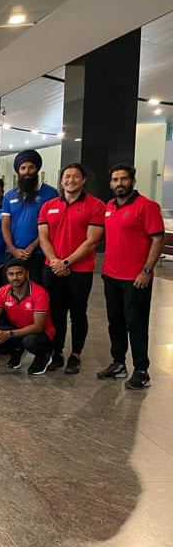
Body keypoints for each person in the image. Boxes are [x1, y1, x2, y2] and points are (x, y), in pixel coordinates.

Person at [98, 164, 164, 390]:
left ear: (132, 182)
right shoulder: (109, 207)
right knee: (115, 322)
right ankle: (118, 363)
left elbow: (157, 239)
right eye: (115, 180)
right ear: (110, 184)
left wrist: (147, 270)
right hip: (111, 275)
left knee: (136, 324)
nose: (119, 184)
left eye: (123, 179)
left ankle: (141, 370)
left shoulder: (147, 206)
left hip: (136, 278)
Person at [38, 163, 105, 374]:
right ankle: (56, 352)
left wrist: (66, 262)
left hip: (80, 270)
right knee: (55, 313)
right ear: (61, 180)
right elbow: (43, 238)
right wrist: (56, 261)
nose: (71, 180)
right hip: (52, 268)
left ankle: (76, 355)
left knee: (78, 313)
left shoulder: (95, 205)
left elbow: (92, 241)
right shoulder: (49, 206)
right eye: (67, 176)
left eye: (76, 176)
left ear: (83, 180)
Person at [0, 258, 55, 375]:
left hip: (39, 333)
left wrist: (8, 334)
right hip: (17, 330)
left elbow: (38, 327)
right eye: (11, 274)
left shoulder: (39, 293)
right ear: (7, 275)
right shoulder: (2, 292)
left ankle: (43, 356)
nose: (15, 278)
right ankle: (17, 349)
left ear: (27, 274)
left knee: (30, 341)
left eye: (19, 273)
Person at [1, 149, 58, 281]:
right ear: (18, 171)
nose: (27, 171)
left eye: (31, 167)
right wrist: (13, 249)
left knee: (37, 292)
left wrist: (31, 247)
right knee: (11, 293)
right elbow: (5, 225)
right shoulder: (9, 196)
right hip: (13, 254)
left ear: (37, 169)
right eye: (23, 168)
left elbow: (51, 226)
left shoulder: (51, 194)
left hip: (39, 253)